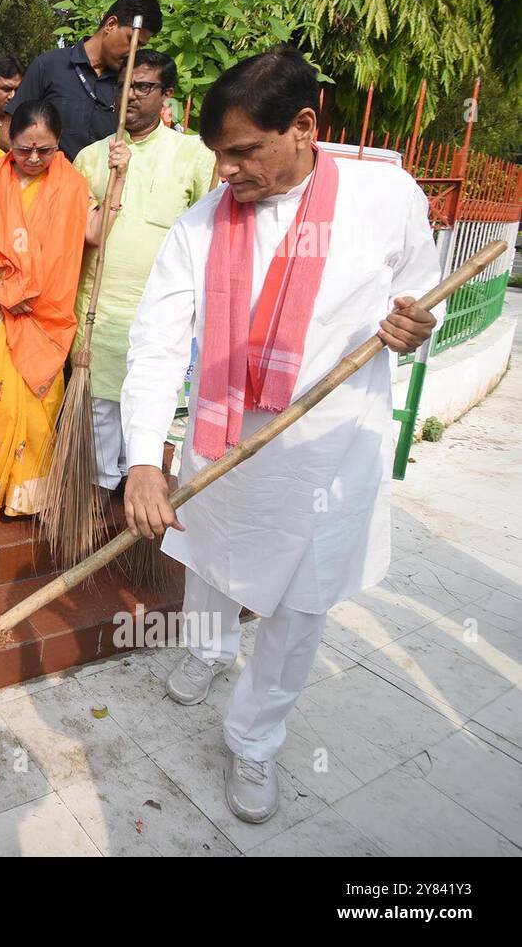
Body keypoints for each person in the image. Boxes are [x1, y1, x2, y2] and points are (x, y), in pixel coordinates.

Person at [120, 45, 442, 824]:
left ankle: (256, 741)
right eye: (217, 155)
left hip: (330, 454)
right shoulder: (202, 225)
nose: (225, 172)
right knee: (209, 560)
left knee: (300, 609)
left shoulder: (385, 197)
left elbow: (423, 304)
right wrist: (141, 462)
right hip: (226, 440)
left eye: (243, 152)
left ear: (303, 127)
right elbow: (158, 340)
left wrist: (413, 328)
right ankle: (206, 649)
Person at [72, 48, 216, 492]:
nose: (130, 96)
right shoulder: (92, 157)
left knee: (147, 405)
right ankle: (102, 489)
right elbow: (81, 232)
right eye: (122, 87)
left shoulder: (193, 154)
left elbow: (209, 232)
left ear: (166, 94)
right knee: (98, 408)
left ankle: (133, 483)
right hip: (98, 309)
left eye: (143, 87)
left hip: (159, 313)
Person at [0, 100, 91, 518]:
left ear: (59, 144)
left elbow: (85, 239)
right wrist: (8, 287)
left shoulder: (73, 186)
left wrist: (117, 191)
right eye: (24, 148)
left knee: (37, 394)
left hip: (44, 309)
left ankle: (26, 490)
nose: (33, 158)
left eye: (44, 150)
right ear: (9, 141)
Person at [3, 0, 162, 161]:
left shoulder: (129, 86)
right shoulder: (49, 66)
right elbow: (6, 136)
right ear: (110, 25)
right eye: (132, 40)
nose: (134, 52)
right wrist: (52, 173)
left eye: (140, 46)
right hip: (52, 186)